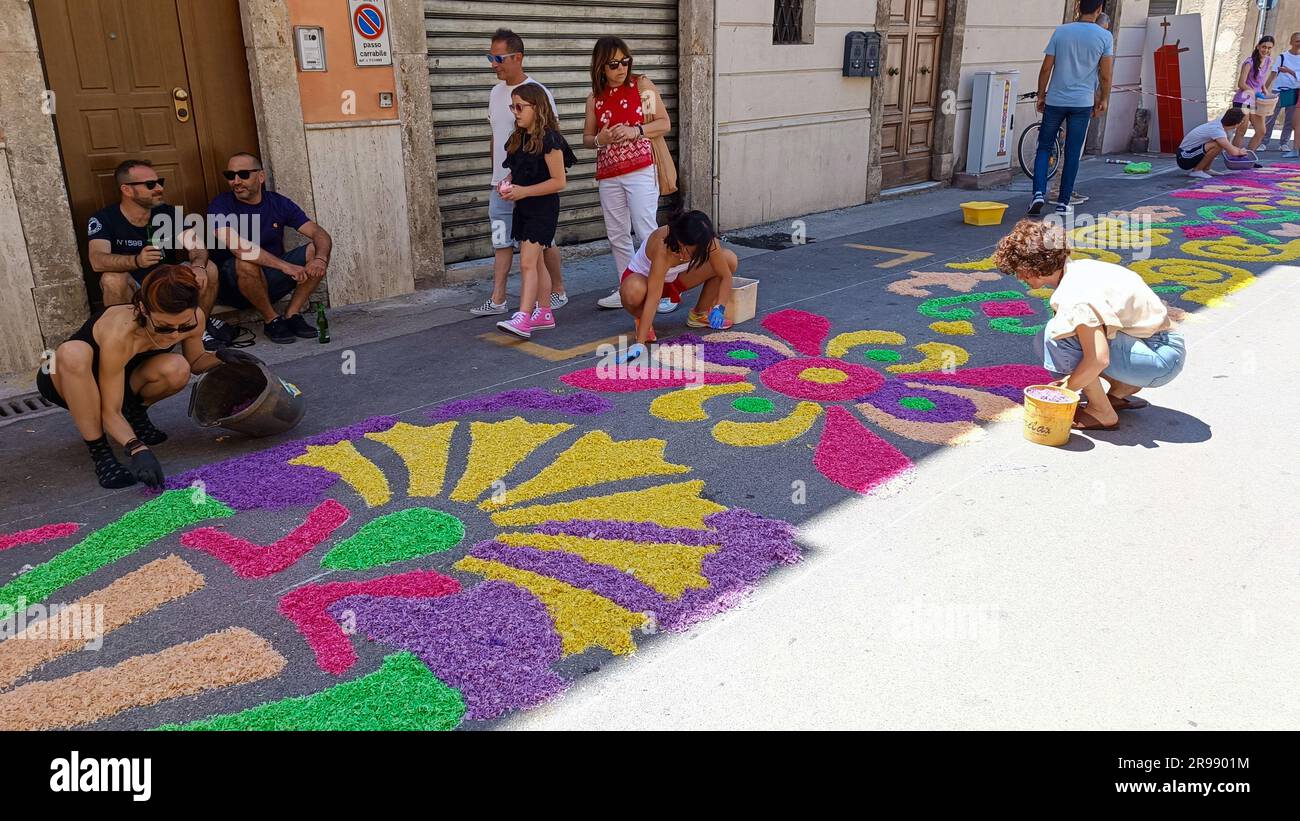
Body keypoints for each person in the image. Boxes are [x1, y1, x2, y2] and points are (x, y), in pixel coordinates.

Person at [34, 265, 260, 489]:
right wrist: (136, 448)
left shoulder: (195, 317)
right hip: (62, 376)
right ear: (143, 309)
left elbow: (195, 362)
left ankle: (135, 412)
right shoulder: (120, 332)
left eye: (184, 326)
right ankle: (100, 452)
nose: (174, 334)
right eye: (164, 327)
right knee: (73, 352)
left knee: (177, 367)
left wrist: (221, 356)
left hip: (123, 377)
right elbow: (109, 409)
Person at [992, 219, 1185, 432]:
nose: (1019, 277)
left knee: (1056, 339)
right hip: (1161, 346)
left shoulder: (1075, 295)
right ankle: (1123, 387)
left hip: (1159, 359)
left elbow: (1098, 358)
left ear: (1035, 265)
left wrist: (1065, 391)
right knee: (1052, 335)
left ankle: (1101, 413)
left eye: (1020, 270)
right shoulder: (1079, 269)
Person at [470, 29, 568, 317]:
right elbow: (495, 135)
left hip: (533, 186)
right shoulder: (494, 93)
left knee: (542, 242)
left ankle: (557, 290)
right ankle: (498, 297)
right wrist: (497, 173)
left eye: (498, 58)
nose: (493, 64)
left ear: (518, 57)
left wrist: (535, 181)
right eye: (491, 57)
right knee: (501, 239)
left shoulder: (538, 92)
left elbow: (552, 136)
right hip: (501, 183)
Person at [87, 159, 223, 347]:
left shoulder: (168, 213)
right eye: (150, 184)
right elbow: (97, 260)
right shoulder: (104, 218)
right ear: (127, 190)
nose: (159, 188)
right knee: (112, 279)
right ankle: (125, 339)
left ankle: (197, 330)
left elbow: (197, 247)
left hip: (168, 283)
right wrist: (137, 261)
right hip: (134, 288)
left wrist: (199, 266)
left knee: (209, 268)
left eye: (160, 182)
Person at [584, 37, 674, 314]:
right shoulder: (595, 98)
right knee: (617, 234)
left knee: (647, 229)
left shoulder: (641, 86)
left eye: (625, 61)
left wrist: (636, 130)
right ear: (601, 67)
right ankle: (628, 287)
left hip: (640, 169)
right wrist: (601, 138)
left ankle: (664, 290)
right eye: (613, 64)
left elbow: (663, 123)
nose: (621, 68)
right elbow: (587, 139)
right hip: (609, 173)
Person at [207, 153, 334, 344]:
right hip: (233, 286)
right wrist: (286, 266)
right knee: (246, 261)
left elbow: (319, 233)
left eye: (243, 174)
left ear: (260, 176)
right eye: (230, 176)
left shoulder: (278, 203)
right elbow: (239, 249)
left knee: (316, 249)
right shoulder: (220, 205)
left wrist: (321, 258)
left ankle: (292, 314)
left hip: (270, 278)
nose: (236, 181)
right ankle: (271, 319)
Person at [495, 83, 576, 339]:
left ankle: (523, 317)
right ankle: (544, 311)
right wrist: (507, 183)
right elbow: (518, 169)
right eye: (512, 106)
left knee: (528, 262)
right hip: (523, 207)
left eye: (520, 107)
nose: (515, 112)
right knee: (537, 262)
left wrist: (523, 191)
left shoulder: (551, 139)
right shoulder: (519, 137)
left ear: (537, 108)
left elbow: (559, 181)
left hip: (542, 208)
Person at [617, 210, 738, 361]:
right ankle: (643, 321)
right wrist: (639, 344)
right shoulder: (662, 246)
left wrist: (720, 307)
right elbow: (654, 297)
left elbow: (725, 275)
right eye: (692, 252)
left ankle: (698, 315)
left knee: (729, 260)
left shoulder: (707, 241)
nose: (692, 256)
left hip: (676, 280)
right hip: (645, 283)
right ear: (681, 243)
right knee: (632, 290)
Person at [1029, 0, 1113, 216]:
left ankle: (1038, 193)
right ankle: (1063, 202)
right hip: (1081, 103)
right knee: (1073, 153)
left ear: (1077, 8)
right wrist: (1103, 99)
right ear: (1099, 10)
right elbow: (1105, 74)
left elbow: (1046, 67)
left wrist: (1041, 95)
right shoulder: (1104, 36)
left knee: (1044, 147)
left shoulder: (1061, 31)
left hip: (1055, 100)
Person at [1232, 36, 1277, 161]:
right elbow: (1241, 84)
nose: (1266, 50)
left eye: (1269, 48)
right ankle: (1236, 158)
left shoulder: (1268, 60)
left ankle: (1248, 157)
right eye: (1264, 47)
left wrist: (1265, 91)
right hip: (1243, 100)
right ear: (1258, 46)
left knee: (1261, 131)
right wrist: (1254, 92)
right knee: (1242, 130)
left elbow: (1260, 80)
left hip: (1258, 101)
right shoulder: (1249, 62)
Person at [1177, 109, 1249, 178]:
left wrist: (1238, 151)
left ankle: (1206, 169)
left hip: (1188, 154)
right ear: (1236, 125)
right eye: (1242, 121)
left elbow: (1229, 147)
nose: (1242, 122)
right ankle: (1197, 171)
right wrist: (1240, 151)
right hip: (1184, 157)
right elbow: (1232, 152)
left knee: (1219, 144)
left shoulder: (1221, 121)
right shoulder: (1217, 130)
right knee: (1217, 145)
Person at [1265, 32, 1300, 155]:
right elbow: (1273, 73)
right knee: (1270, 117)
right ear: (1291, 42)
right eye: (1297, 41)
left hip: (1294, 90)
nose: (1299, 43)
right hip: (1279, 90)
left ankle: (1284, 143)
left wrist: (1289, 71)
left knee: (1289, 120)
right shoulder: (1282, 57)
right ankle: (1264, 142)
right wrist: (1264, 89)